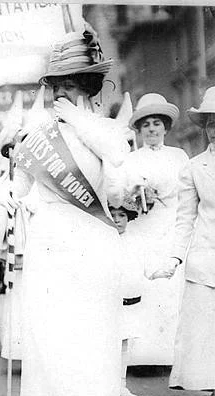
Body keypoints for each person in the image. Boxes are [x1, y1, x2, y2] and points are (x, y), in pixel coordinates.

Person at [14, 27, 128, 396]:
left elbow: (118, 161)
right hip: (49, 243)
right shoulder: (38, 135)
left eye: (70, 84)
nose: (61, 93)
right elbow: (18, 192)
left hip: (92, 240)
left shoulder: (104, 129)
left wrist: (80, 121)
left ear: (87, 88)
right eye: (56, 85)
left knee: (91, 332)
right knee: (49, 333)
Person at [122, 93, 189, 365]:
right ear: (139, 129)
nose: (151, 129)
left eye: (156, 124)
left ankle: (171, 355)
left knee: (172, 289)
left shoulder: (179, 156)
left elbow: (188, 193)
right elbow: (123, 196)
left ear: (165, 127)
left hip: (172, 226)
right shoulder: (131, 160)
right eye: (146, 124)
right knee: (146, 287)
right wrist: (137, 194)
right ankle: (143, 356)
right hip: (143, 228)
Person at [156, 87, 215, 394]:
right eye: (209, 123)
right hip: (205, 266)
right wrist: (174, 257)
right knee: (205, 352)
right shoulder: (194, 167)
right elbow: (185, 219)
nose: (214, 130)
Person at [110, 197, 144, 396]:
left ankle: (120, 385)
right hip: (108, 305)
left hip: (129, 304)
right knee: (107, 345)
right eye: (113, 215)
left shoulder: (135, 241)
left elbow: (144, 267)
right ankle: (108, 384)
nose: (117, 219)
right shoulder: (103, 240)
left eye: (122, 215)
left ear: (129, 217)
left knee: (123, 345)